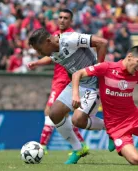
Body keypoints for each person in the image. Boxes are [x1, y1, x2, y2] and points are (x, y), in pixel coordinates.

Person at [28, 26, 108, 164]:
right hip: (76, 83)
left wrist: (98, 70)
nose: (40, 53)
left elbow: (102, 43)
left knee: (78, 121)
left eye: (39, 50)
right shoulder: (52, 52)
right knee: (54, 114)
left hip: (92, 83)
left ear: (48, 41)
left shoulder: (70, 39)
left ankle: (111, 127)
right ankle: (79, 148)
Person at [27, 9, 87, 156]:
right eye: (59, 17)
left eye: (65, 18)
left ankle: (42, 146)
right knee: (63, 116)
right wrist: (38, 62)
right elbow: (51, 57)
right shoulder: (53, 37)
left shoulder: (71, 36)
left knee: (49, 111)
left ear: (71, 21)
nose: (62, 20)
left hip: (64, 79)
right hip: (59, 79)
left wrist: (37, 63)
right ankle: (82, 145)